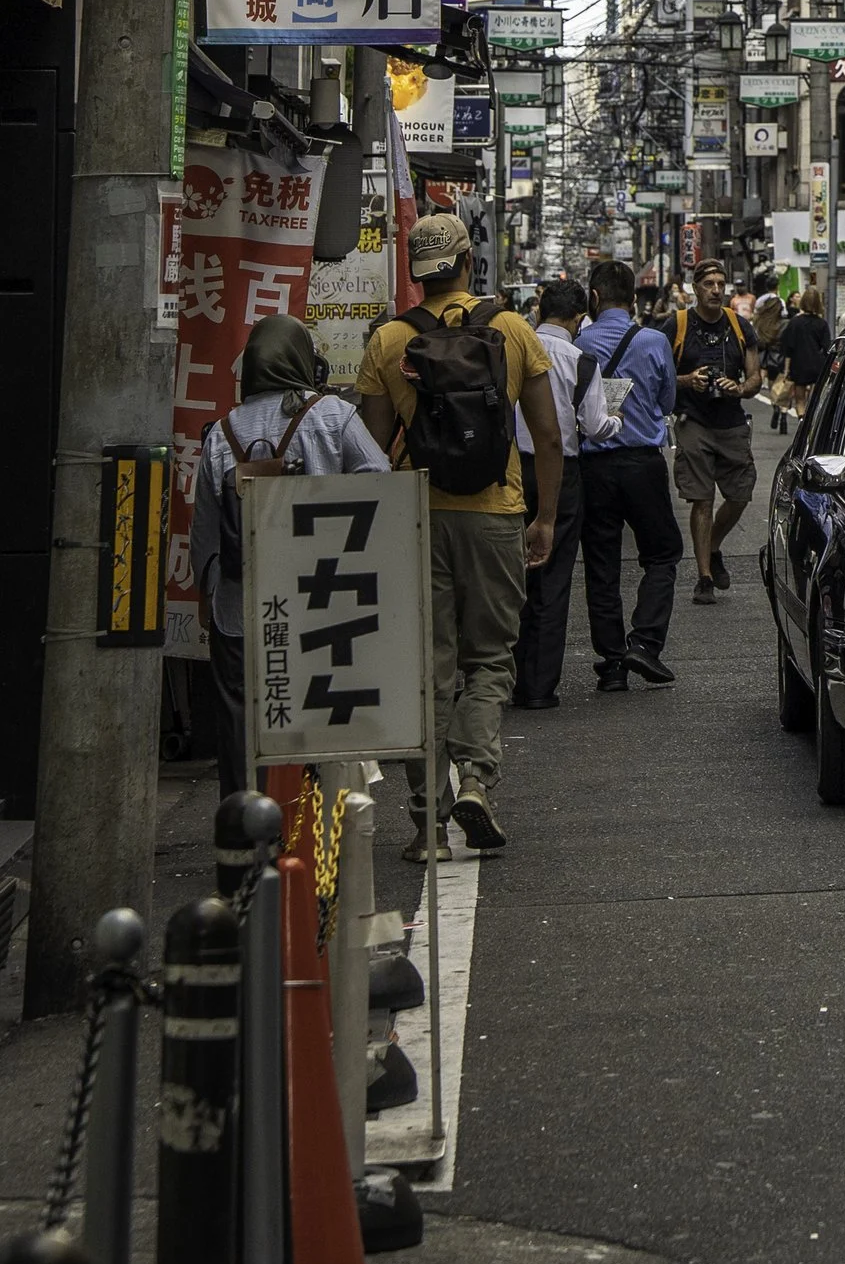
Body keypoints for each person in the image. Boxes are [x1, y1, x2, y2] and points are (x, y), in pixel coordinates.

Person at [357, 217, 562, 858]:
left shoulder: (389, 340)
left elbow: (369, 451)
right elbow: (548, 437)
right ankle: (475, 778)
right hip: (496, 513)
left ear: (416, 273)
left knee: (428, 669)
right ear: (470, 260)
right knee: (491, 659)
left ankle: (428, 826)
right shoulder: (512, 329)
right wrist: (546, 519)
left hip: (417, 517)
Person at [191, 315, 391, 799]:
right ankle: (312, 817)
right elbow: (380, 478)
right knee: (317, 708)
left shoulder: (222, 432)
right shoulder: (332, 416)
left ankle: (245, 821)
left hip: (240, 605)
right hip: (322, 597)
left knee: (241, 714)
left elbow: (204, 530)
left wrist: (209, 593)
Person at [577, 256, 682, 690]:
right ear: (633, 299)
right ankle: (645, 642)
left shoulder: (578, 342)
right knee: (662, 554)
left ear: (594, 297)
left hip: (592, 465)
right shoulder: (654, 341)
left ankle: (612, 663)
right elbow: (668, 401)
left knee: (601, 564)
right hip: (643, 463)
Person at [514, 278, 596, 709]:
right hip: (561, 473)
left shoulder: (513, 348)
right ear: (579, 318)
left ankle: (503, 675)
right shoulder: (581, 361)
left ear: (539, 311)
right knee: (554, 575)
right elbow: (595, 424)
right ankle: (538, 686)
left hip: (511, 469)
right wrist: (617, 420)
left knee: (510, 574)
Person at [673, 259, 762, 599]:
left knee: (740, 495)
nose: (715, 290)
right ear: (695, 288)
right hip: (693, 421)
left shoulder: (740, 326)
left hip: (731, 422)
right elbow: (661, 374)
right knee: (702, 499)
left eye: (720, 284)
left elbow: (755, 378)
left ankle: (712, 546)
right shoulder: (678, 325)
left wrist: (738, 388)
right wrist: (688, 380)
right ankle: (704, 577)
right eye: (708, 283)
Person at [779, 284, 833, 423]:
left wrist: (786, 370)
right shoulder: (822, 323)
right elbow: (827, 347)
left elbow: (789, 348)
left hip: (799, 364)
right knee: (814, 398)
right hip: (817, 364)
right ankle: (811, 422)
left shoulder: (795, 322)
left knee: (800, 398)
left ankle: (801, 420)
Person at [752, 292, 790, 433]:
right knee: (785, 388)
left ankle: (775, 407)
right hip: (784, 359)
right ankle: (784, 414)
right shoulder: (786, 324)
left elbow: (759, 343)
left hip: (770, 360)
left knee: (772, 386)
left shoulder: (762, 324)